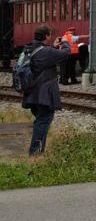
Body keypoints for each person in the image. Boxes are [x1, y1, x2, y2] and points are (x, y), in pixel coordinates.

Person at [21, 24, 72, 156]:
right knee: (43, 122)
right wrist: (65, 43)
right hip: (43, 95)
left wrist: (53, 47)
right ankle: (35, 153)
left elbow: (43, 59)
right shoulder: (46, 52)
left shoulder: (29, 48)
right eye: (50, 34)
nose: (51, 37)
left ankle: (38, 151)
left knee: (41, 121)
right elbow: (66, 54)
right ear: (46, 36)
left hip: (31, 93)